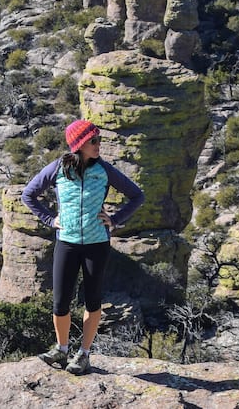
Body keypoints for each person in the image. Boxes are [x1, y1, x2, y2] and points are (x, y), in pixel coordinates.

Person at [20, 119, 145, 375]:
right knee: (60, 302)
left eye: (99, 139)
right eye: (93, 141)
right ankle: (62, 349)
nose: (99, 145)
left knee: (92, 301)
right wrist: (49, 219)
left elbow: (137, 195)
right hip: (67, 243)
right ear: (79, 145)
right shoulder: (58, 168)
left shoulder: (105, 170)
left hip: (97, 244)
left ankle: (84, 354)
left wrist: (115, 219)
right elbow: (28, 194)